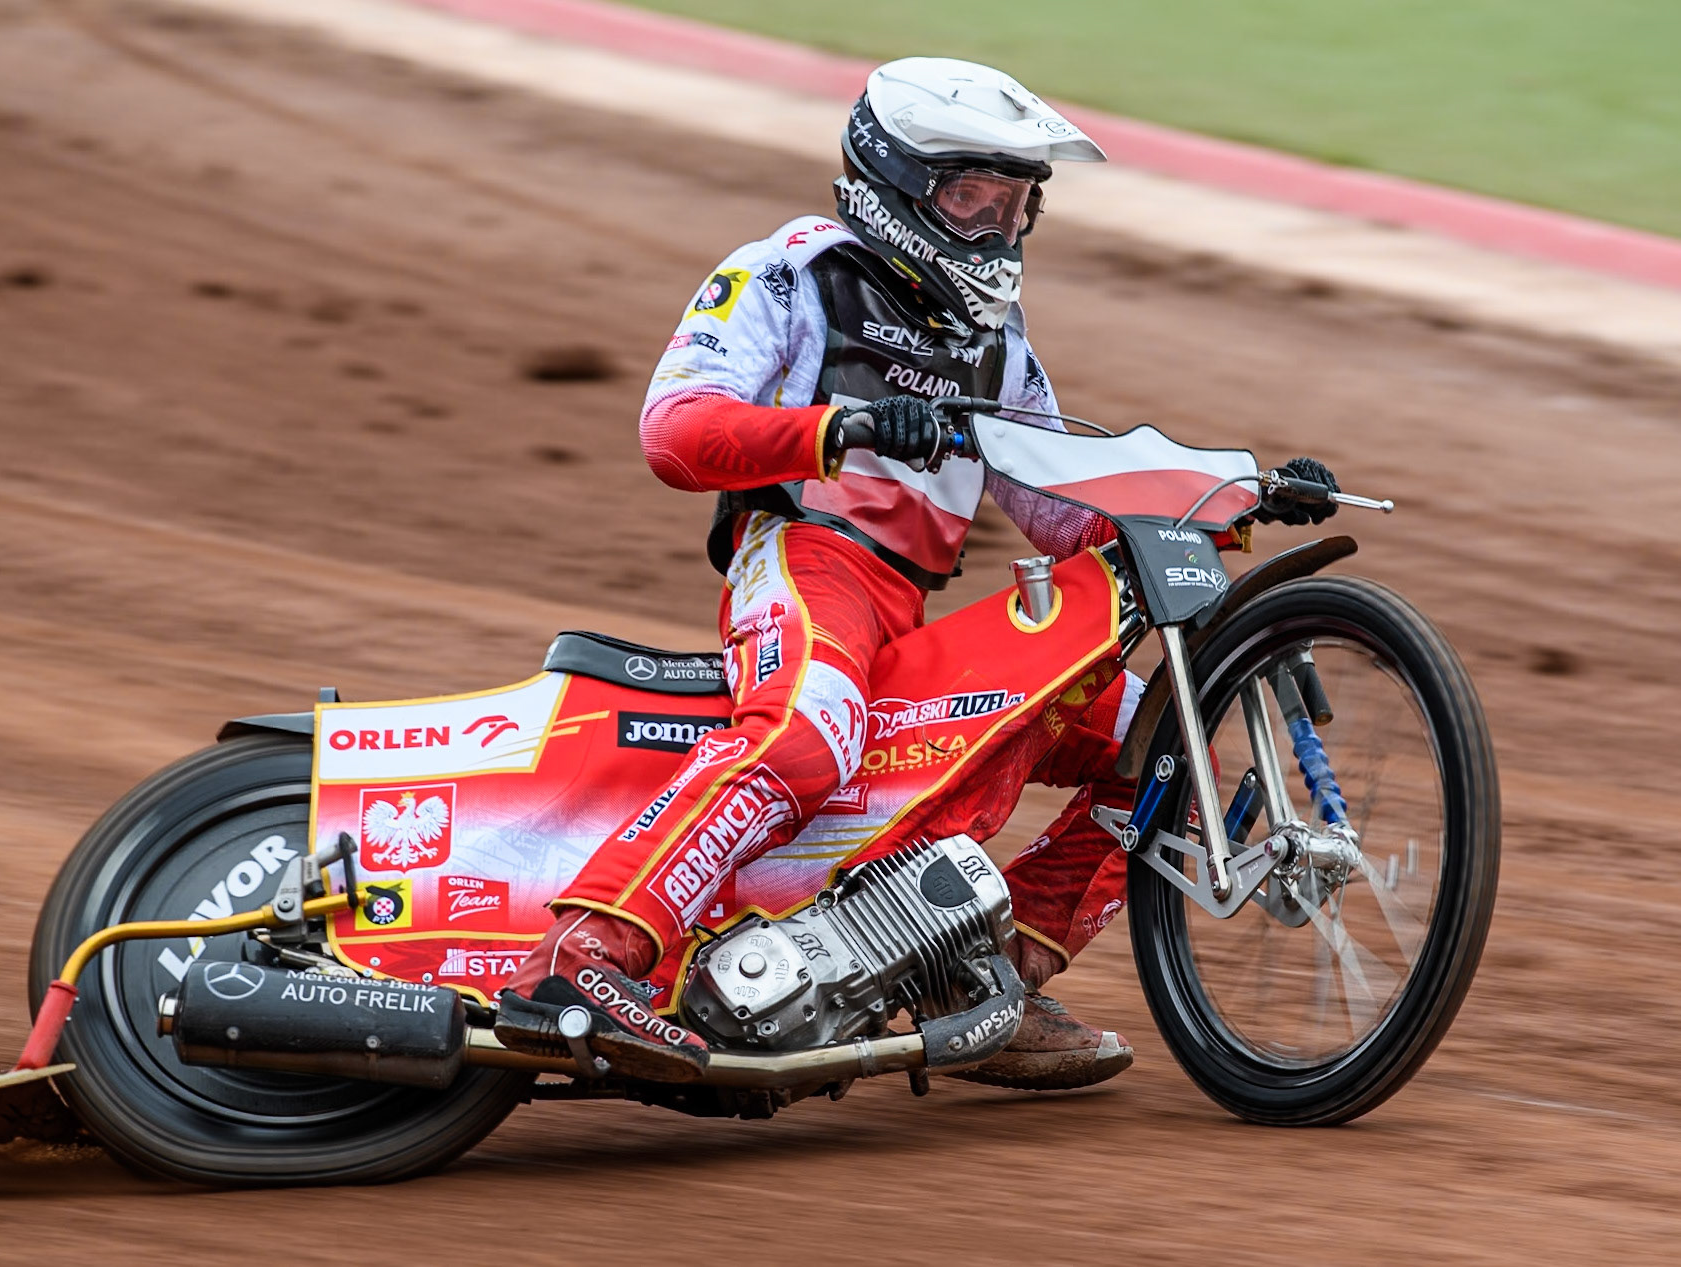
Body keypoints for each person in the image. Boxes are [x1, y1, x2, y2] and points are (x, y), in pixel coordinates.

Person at [496, 57, 1335, 1087]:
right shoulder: (793, 273)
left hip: (908, 611)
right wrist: (837, 427)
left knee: (1167, 748)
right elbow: (673, 430)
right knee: (811, 733)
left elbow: (1065, 510)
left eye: (1017, 200)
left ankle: (981, 983)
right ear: (891, 182)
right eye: (970, 194)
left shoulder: (998, 345)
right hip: (807, 563)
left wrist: (1238, 498)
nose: (996, 224)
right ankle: (585, 961)